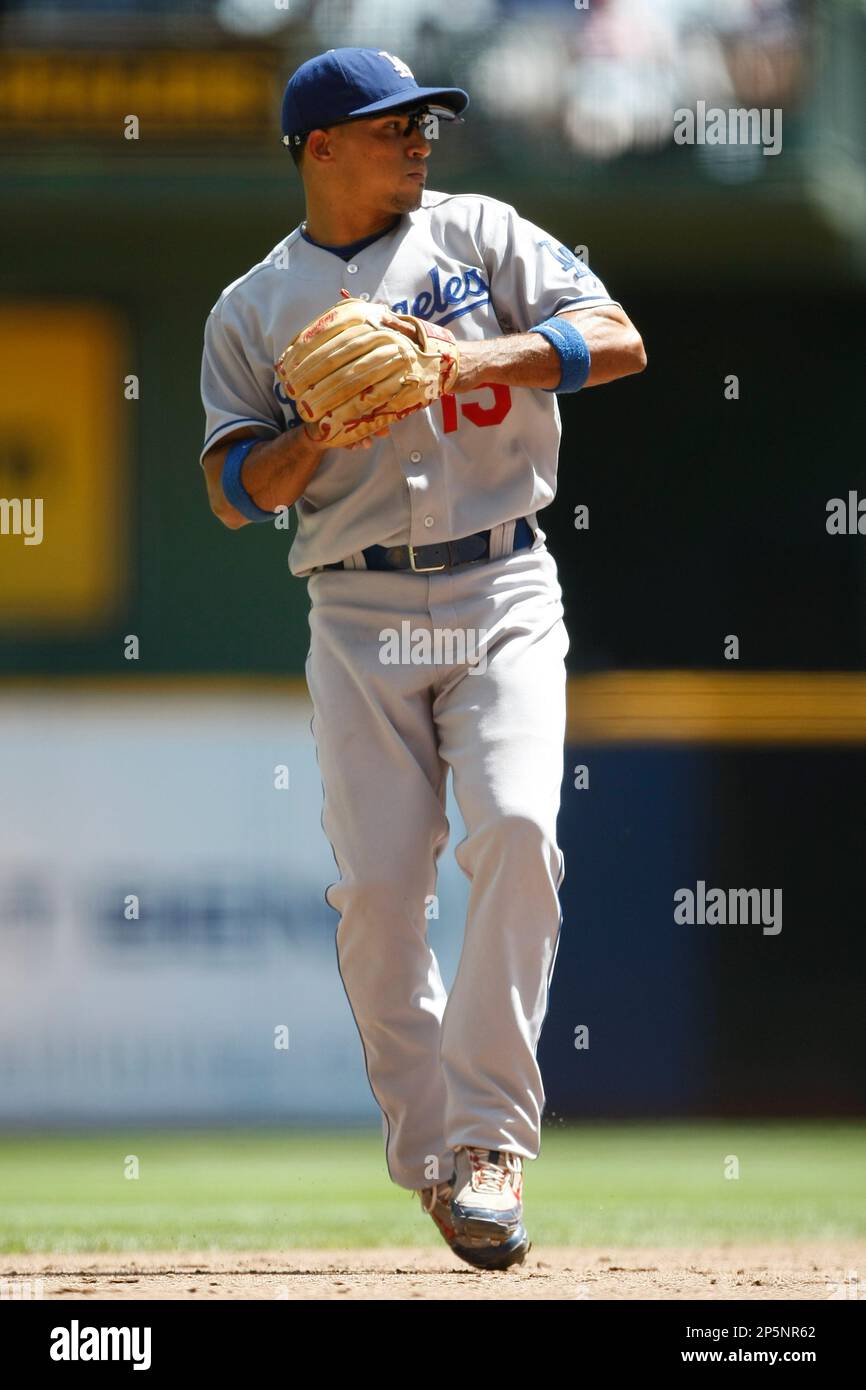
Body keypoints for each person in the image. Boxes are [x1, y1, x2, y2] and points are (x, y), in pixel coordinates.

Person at [199, 47, 646, 1271]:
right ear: (317, 146)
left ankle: (492, 1143)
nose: (419, 139)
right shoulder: (251, 306)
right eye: (391, 124)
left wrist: (467, 359)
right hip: (356, 612)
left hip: (501, 578)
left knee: (514, 829)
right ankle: (433, 1155)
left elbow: (613, 338)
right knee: (383, 896)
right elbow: (233, 487)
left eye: (424, 122)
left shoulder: (485, 233)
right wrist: (310, 431)